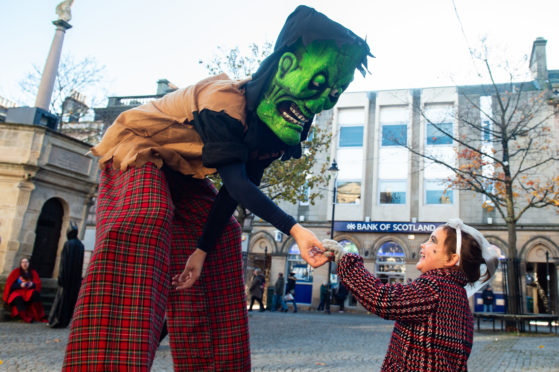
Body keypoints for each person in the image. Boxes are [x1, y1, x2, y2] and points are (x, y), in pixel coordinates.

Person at [63, 5, 371, 371]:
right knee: (148, 215)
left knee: (225, 234)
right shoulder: (224, 101)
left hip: (182, 173)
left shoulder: (269, 131)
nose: (323, 100)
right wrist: (295, 228)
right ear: (285, 66)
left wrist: (200, 252)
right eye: (318, 83)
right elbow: (238, 184)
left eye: (334, 92)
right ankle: (103, 362)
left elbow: (231, 193)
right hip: (136, 148)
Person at [322, 218, 500, 371]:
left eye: (433, 241)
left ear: (451, 258)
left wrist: (344, 258)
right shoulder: (458, 296)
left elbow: (382, 299)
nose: (423, 245)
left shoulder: (435, 287)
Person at [48, 223, 84, 328]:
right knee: (69, 300)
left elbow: (64, 263)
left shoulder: (68, 244)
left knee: (61, 300)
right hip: (75, 280)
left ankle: (56, 320)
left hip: (66, 279)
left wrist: (61, 277)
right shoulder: (80, 245)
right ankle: (65, 321)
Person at [3, 257, 47, 323]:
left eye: (26, 262)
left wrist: (32, 284)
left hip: (28, 291)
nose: (24, 264)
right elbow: (10, 285)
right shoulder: (15, 272)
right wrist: (19, 285)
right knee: (18, 297)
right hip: (18, 291)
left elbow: (37, 284)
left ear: (29, 263)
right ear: (20, 264)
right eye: (23, 262)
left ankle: (39, 315)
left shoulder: (33, 272)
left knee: (35, 293)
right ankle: (25, 317)